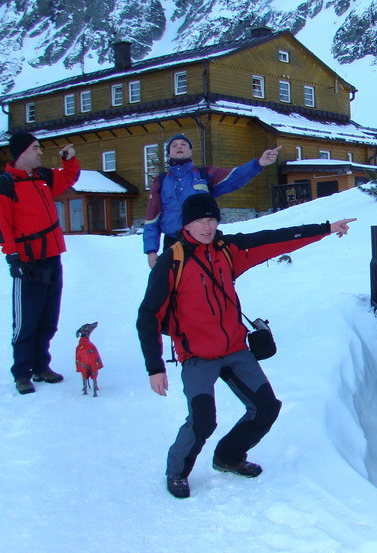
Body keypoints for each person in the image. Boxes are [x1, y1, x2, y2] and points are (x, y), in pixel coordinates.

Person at [136, 192, 355, 498]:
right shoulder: (172, 261)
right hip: (197, 355)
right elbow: (147, 315)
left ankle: (228, 456)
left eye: (212, 219)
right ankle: (176, 472)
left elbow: (273, 239)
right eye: (200, 220)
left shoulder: (228, 250)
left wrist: (326, 228)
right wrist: (155, 367)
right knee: (202, 421)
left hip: (235, 350)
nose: (207, 226)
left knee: (266, 408)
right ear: (187, 224)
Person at [0, 132, 80, 395]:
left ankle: (41, 366)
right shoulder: (4, 185)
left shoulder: (44, 177)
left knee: (48, 318)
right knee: (26, 321)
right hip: (27, 262)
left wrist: (69, 161)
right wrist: (12, 257)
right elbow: (1, 225)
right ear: (21, 153)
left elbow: (68, 177)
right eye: (35, 148)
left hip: (52, 257)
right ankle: (22, 373)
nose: (40, 152)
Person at [142, 134, 281, 267]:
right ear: (168, 153)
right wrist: (151, 250)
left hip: (203, 240)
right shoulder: (161, 181)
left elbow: (234, 177)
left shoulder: (204, 174)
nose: (179, 147)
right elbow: (152, 217)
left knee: (205, 282)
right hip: (173, 242)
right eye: (174, 145)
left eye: (183, 144)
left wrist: (258, 164)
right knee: (173, 285)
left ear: (190, 150)